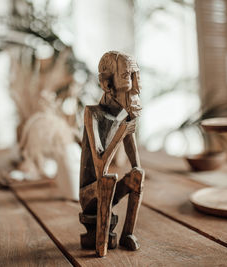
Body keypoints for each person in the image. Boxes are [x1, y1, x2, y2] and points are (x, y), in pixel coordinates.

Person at [79, 51, 145, 256]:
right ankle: (101, 244)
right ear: (107, 84)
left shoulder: (124, 115)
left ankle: (127, 234)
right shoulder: (93, 114)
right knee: (107, 179)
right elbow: (100, 167)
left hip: (107, 188)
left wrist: (125, 129)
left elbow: (136, 165)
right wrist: (121, 133)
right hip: (90, 193)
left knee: (138, 175)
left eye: (136, 75)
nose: (136, 86)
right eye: (128, 76)